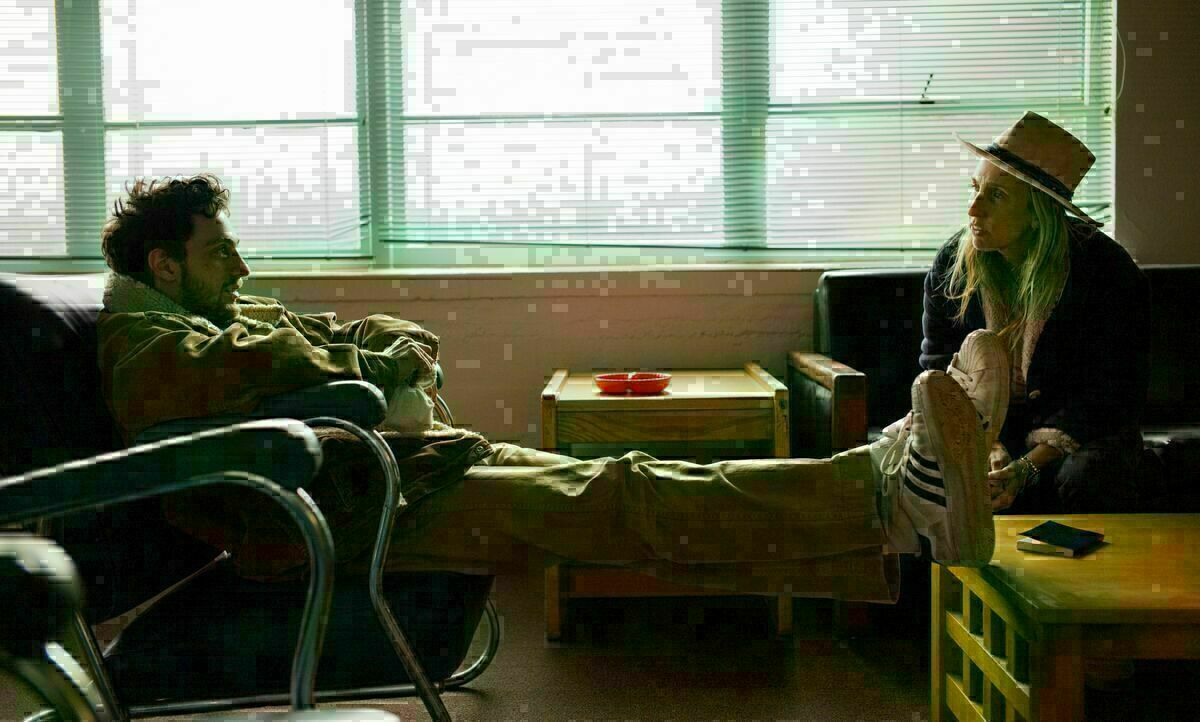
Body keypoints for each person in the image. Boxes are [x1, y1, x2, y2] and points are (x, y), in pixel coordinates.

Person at [96, 173, 1002, 607]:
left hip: (410, 470)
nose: (241, 267)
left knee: (632, 478)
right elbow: (289, 368)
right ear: (163, 265)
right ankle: (886, 499)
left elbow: (358, 335)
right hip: (351, 510)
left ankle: (889, 500)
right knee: (623, 499)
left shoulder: (218, 317)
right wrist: (376, 380)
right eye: (219, 252)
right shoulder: (150, 345)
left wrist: (391, 360)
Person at [922, 111, 1151, 514]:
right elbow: (939, 368)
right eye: (975, 189)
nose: (973, 210)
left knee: (1088, 476)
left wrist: (1027, 466)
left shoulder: (1105, 269)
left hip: (1082, 434)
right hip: (985, 428)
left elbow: (1113, 393)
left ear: (1038, 212)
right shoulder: (952, 263)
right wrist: (987, 444)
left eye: (996, 196)